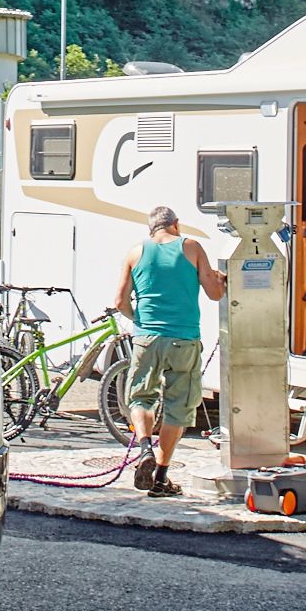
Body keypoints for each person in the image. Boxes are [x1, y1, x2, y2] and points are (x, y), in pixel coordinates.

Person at [114, 204, 225, 496]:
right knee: (178, 408)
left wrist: (139, 320)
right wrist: (220, 280)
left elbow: (120, 302)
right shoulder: (191, 247)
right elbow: (215, 294)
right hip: (183, 339)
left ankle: (144, 448)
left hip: (146, 339)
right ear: (176, 224)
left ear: (151, 228)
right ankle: (161, 477)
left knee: (140, 397)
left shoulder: (135, 252)